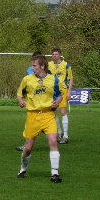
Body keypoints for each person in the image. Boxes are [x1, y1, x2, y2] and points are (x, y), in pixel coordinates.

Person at [16, 54, 63, 183]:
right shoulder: (27, 79)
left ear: (42, 66)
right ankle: (23, 168)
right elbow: (19, 94)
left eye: (34, 65)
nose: (32, 67)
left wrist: (57, 102)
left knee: (53, 141)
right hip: (33, 116)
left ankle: (55, 173)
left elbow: (59, 95)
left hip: (48, 115)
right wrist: (20, 101)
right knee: (29, 148)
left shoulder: (53, 80)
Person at [16, 51, 43, 151]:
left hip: (44, 107)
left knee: (51, 135)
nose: (33, 66)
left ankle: (57, 136)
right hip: (33, 105)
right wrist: (20, 99)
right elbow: (25, 86)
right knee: (30, 128)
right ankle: (27, 145)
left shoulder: (48, 74)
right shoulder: (29, 73)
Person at [48, 47, 73, 144]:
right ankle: (59, 133)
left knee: (63, 112)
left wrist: (69, 91)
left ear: (60, 55)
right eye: (53, 54)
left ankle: (65, 135)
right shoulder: (49, 64)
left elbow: (70, 78)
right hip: (52, 91)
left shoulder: (66, 65)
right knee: (53, 113)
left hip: (62, 90)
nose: (54, 56)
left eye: (56, 54)